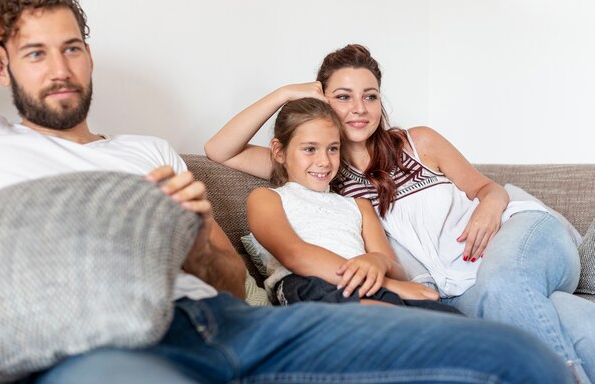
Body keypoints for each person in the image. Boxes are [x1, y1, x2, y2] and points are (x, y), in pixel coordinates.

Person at [0, 0, 575, 384]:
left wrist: (202, 237)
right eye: (34, 53)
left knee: (512, 353)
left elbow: (234, 282)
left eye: (71, 48)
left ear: (90, 55)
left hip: (234, 324)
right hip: (113, 342)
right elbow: (247, 178)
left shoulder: (148, 152)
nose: (59, 69)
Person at [205, 43, 595, 383]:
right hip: (463, 284)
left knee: (505, 282)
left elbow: (485, 189)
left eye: (370, 96)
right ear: (323, 102)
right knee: (576, 327)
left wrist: (490, 206)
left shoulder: (418, 141)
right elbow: (220, 150)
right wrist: (286, 94)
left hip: (520, 236)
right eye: (343, 97)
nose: (360, 109)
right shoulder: (324, 174)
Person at [247, 96, 459, 315]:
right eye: (310, 149)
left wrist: (378, 261)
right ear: (279, 151)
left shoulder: (358, 205)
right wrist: (390, 285)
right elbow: (295, 255)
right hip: (308, 285)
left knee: (455, 320)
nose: (324, 161)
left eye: (332, 149)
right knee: (388, 317)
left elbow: (396, 270)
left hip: (368, 286)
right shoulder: (267, 198)